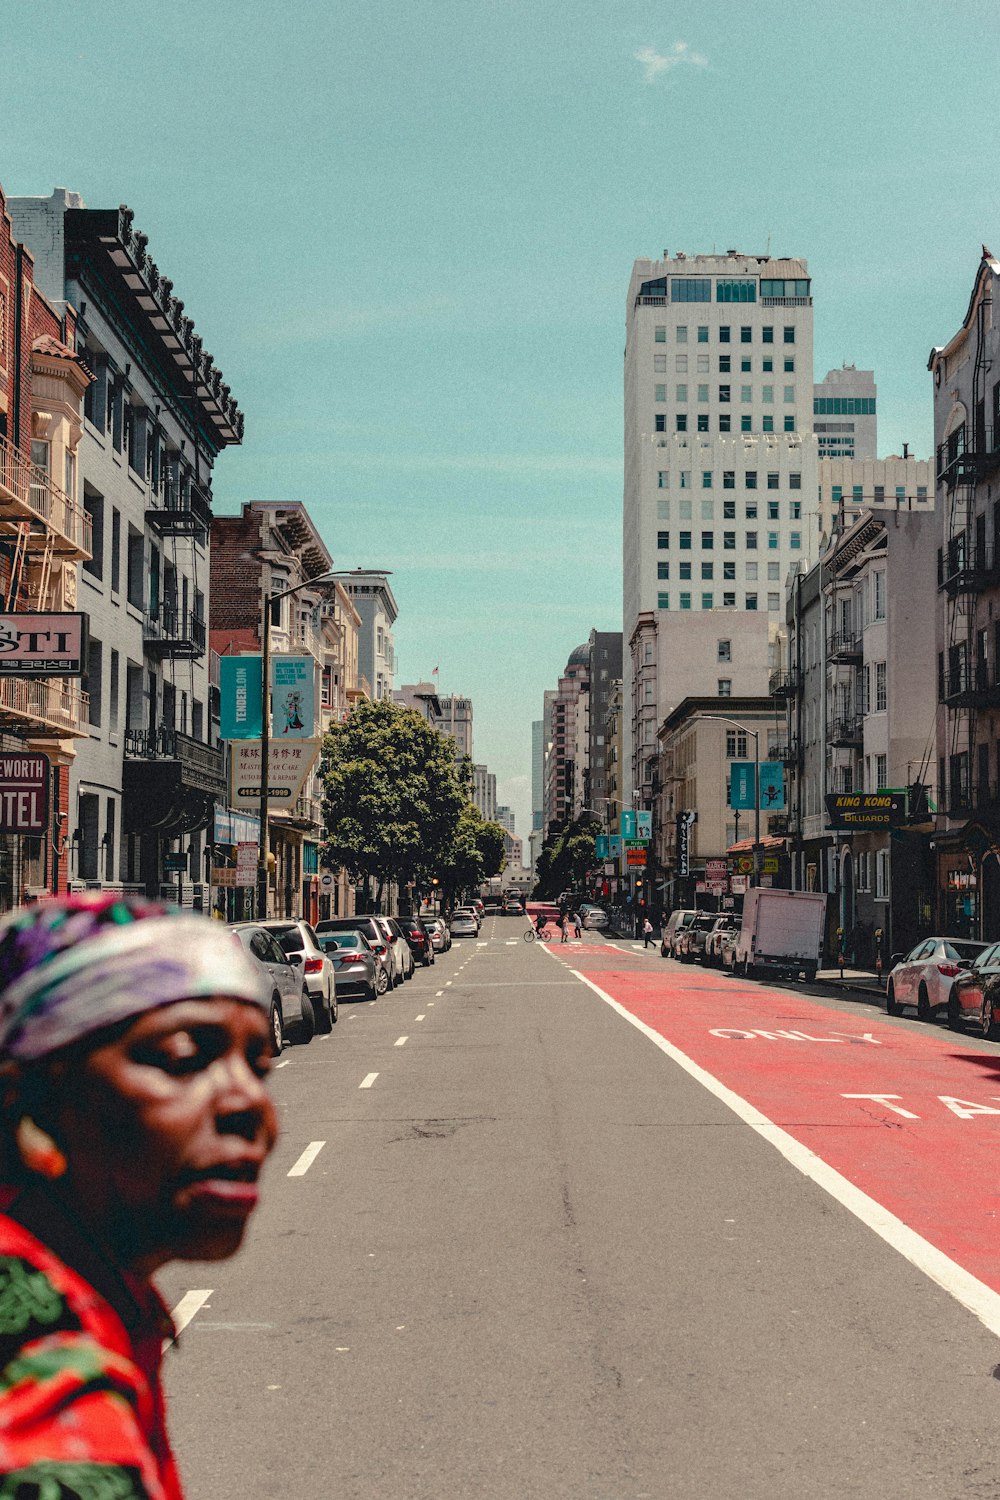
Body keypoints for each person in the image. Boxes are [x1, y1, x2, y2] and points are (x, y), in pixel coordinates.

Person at [0, 892, 278, 1496]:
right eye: (181, 1058)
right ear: (27, 1099)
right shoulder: (45, 1364)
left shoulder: (88, 1279)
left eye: (258, 1065)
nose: (248, 1103)